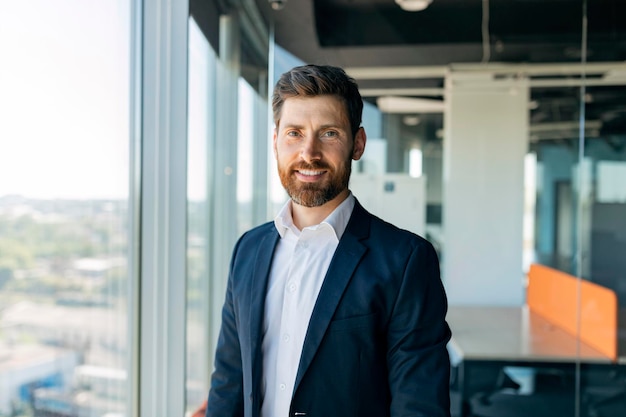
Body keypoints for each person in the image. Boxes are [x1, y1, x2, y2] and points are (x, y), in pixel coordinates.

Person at [205, 64, 451, 417]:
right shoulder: (248, 249)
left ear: (358, 143)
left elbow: (419, 405)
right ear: (275, 141)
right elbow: (228, 382)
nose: (309, 152)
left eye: (329, 133)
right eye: (294, 133)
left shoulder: (406, 260)